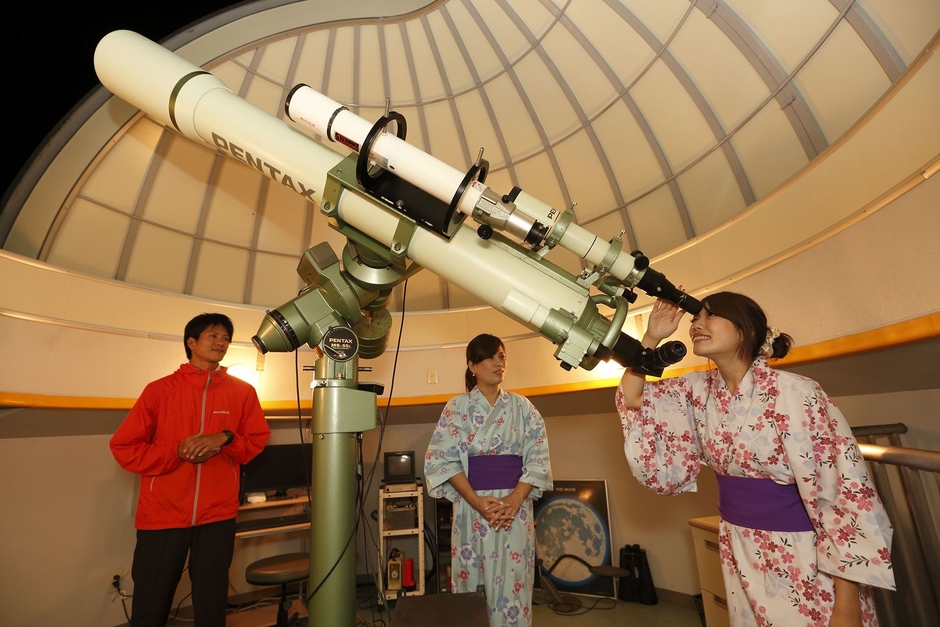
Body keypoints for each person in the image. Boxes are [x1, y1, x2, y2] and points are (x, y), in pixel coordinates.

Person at [616, 292, 894, 627]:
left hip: (803, 552)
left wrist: (846, 606)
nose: (696, 324)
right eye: (695, 318)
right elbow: (632, 397)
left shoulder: (797, 392)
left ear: (746, 330)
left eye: (710, 315)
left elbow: (844, 494)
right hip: (740, 543)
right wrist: (651, 337)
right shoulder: (695, 390)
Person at [110, 313, 271, 627]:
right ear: (191, 342)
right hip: (163, 514)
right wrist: (176, 452)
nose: (221, 342)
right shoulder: (159, 391)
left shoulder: (243, 392)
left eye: (225, 338)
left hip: (218, 515)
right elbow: (125, 448)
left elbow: (255, 441)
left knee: (212, 605)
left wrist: (225, 437)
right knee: (150, 604)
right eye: (213, 335)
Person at [425, 334, 553, 627]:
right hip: (472, 506)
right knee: (471, 581)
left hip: (514, 509)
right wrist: (476, 502)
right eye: (490, 357)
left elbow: (538, 458)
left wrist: (515, 499)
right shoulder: (457, 407)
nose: (499, 362)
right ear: (472, 366)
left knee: (514, 581)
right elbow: (443, 460)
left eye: (502, 356)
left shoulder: (523, 408)